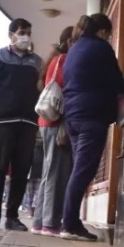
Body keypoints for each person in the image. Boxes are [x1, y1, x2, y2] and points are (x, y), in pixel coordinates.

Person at [60, 14, 124, 242]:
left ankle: (71, 221)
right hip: (91, 115)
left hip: (73, 116)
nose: (109, 37)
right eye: (109, 33)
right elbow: (116, 82)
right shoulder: (101, 48)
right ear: (103, 31)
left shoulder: (75, 49)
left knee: (79, 169)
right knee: (83, 171)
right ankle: (69, 224)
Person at [0, 18, 43, 231]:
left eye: (28, 33)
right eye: (22, 32)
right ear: (11, 34)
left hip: (29, 123)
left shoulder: (37, 62)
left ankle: (12, 217)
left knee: (22, 172)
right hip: (2, 122)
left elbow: (42, 91)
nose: (25, 37)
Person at [33, 26, 75, 235]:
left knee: (49, 172)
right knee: (55, 173)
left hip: (47, 121)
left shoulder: (54, 59)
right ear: (69, 41)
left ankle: (40, 221)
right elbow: (65, 86)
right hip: (56, 122)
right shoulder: (64, 59)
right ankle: (50, 223)